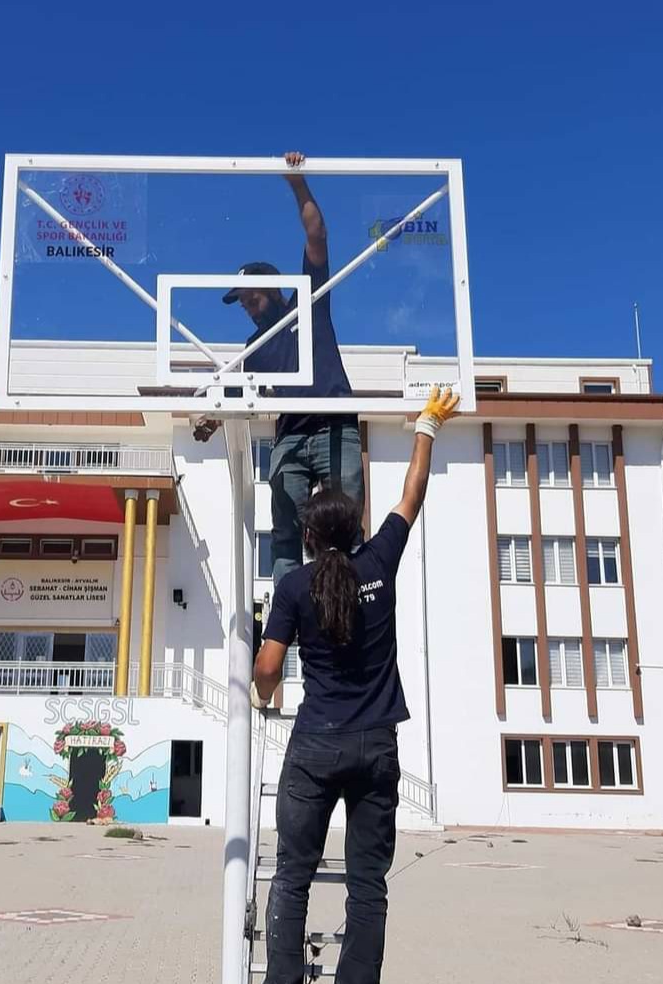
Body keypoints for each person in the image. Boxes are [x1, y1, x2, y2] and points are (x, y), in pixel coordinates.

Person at [250, 386, 460, 984]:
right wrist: (427, 424)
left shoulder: (293, 588)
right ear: (357, 527)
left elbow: (267, 669)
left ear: (309, 538)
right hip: (376, 748)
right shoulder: (378, 563)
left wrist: (262, 698)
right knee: (368, 886)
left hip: (317, 745)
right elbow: (412, 495)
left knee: (293, 873)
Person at [193, 151, 362, 586]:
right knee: (285, 536)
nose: (247, 308)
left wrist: (296, 182)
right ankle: (290, 610)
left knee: (345, 530)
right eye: (242, 303)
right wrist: (210, 420)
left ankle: (348, 602)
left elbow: (316, 234)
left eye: (251, 297)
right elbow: (233, 392)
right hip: (290, 437)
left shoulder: (309, 306)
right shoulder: (255, 348)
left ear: (271, 287)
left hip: (333, 428)